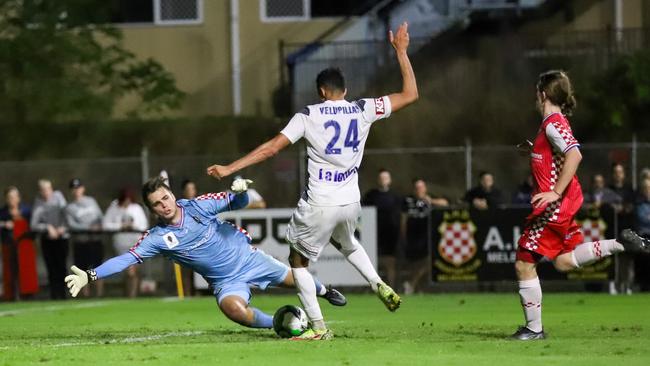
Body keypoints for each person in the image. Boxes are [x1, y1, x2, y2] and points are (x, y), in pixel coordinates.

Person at [206, 22, 418, 340]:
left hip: (320, 202)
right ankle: (378, 284)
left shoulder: (308, 115)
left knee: (297, 261)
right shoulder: (363, 109)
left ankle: (318, 328)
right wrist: (401, 51)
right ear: (344, 91)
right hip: (350, 201)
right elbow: (411, 94)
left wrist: (230, 168)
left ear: (321, 91)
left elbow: (270, 149)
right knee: (347, 243)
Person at [64, 177, 346, 330]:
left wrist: (240, 191)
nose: (164, 205)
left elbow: (240, 201)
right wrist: (91, 275)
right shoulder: (157, 238)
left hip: (250, 260)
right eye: (157, 204)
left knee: (300, 280)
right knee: (232, 310)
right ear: (152, 211)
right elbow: (127, 258)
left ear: (172, 195)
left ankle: (325, 292)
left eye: (165, 197)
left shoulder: (198, 206)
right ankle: (279, 325)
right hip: (226, 282)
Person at [512, 70, 650, 340]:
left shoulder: (552, 123)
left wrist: (554, 192)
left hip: (555, 205)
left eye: (536, 93)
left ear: (542, 94)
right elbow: (560, 155)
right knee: (563, 262)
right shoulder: (553, 123)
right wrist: (534, 151)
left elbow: (574, 155)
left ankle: (534, 329)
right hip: (564, 203)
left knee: (524, 263)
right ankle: (620, 244)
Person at [401, 178, 448, 295]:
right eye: (417, 188)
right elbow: (403, 219)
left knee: (428, 261)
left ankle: (411, 284)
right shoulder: (407, 201)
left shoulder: (429, 199)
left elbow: (445, 203)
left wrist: (431, 201)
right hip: (412, 235)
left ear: (425, 188)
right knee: (414, 263)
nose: (419, 190)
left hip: (427, 236)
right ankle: (416, 288)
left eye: (421, 187)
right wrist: (403, 235)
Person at [103, 187, 148, 297]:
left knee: (132, 271)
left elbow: (144, 225)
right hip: (121, 245)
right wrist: (120, 226)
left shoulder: (137, 208)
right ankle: (129, 294)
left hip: (135, 243)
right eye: (124, 199)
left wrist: (133, 226)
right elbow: (105, 225)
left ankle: (132, 295)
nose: (127, 202)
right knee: (128, 271)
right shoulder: (114, 208)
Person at [64, 178, 104, 297]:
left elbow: (100, 217)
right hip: (81, 242)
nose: (76, 190)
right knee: (82, 270)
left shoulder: (91, 201)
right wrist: (89, 227)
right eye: (74, 188)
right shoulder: (69, 207)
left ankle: (99, 295)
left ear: (83, 188)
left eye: (78, 188)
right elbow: (72, 225)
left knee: (98, 268)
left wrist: (98, 225)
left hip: (96, 240)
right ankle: (85, 296)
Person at [362, 169, 402, 287]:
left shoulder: (395, 196)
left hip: (390, 234)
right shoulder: (371, 195)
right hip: (373, 233)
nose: (383, 180)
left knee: (390, 262)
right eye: (381, 178)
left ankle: (391, 287)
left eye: (386, 178)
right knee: (372, 261)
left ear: (390, 180)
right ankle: (373, 287)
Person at [31, 179, 69, 299]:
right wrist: (47, 227)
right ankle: (54, 294)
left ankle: (64, 294)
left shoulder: (59, 198)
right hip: (47, 239)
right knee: (51, 267)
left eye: (48, 189)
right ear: (40, 191)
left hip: (62, 238)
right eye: (43, 190)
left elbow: (67, 214)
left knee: (62, 266)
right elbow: (33, 224)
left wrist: (62, 228)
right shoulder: (38, 203)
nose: (46, 192)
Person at [0, 186, 35, 300]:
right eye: (10, 197)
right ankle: (11, 296)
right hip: (8, 245)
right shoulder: (3, 213)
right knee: (9, 272)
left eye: (14, 197)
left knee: (25, 272)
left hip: (24, 247)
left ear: (19, 198)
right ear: (6, 199)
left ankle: (27, 295)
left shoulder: (26, 211)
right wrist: (5, 225)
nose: (12, 200)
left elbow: (32, 228)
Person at [608, 163, 637, 294]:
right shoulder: (608, 190)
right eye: (616, 172)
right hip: (612, 227)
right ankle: (613, 284)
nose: (618, 175)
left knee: (627, 258)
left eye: (620, 172)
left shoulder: (629, 190)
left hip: (626, 228)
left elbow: (632, 207)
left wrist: (625, 209)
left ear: (623, 174)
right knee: (613, 258)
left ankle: (627, 285)